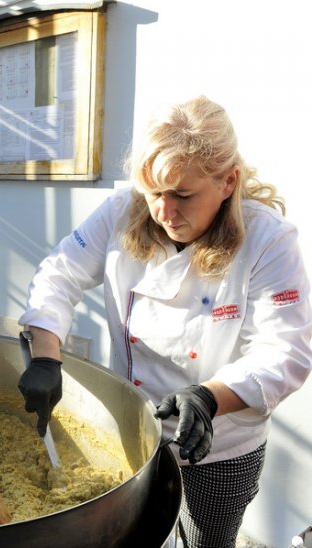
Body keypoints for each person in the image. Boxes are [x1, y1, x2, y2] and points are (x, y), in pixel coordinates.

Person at [18, 95, 312, 547]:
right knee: (131, 535)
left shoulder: (268, 240)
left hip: (222, 444)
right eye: (153, 192)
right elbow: (60, 273)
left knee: (203, 542)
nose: (163, 211)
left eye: (182, 195)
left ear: (229, 181)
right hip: (135, 430)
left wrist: (210, 397)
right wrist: (45, 357)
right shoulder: (122, 211)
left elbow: (286, 349)